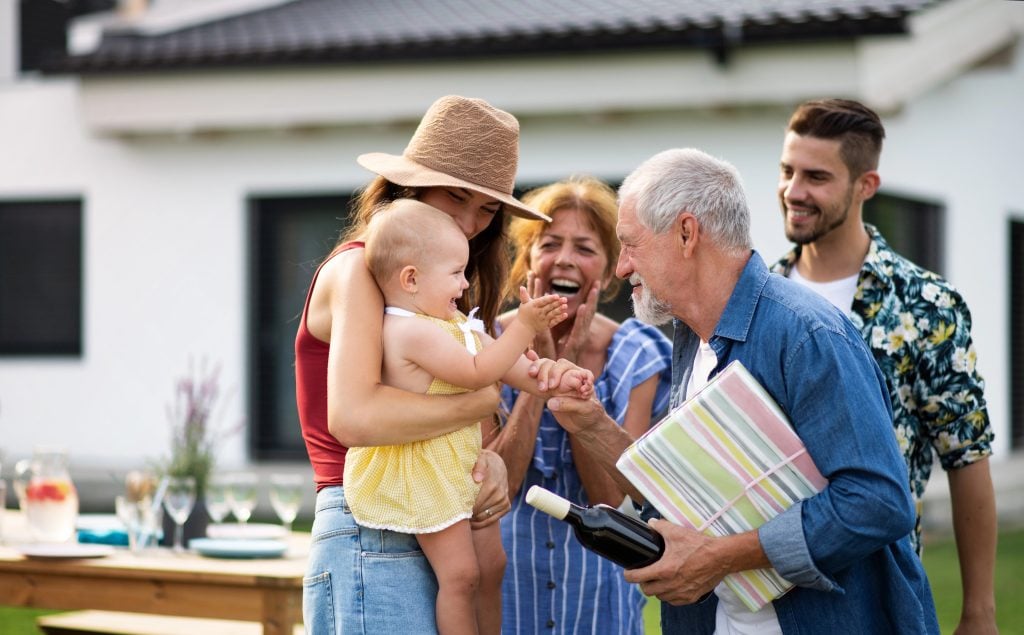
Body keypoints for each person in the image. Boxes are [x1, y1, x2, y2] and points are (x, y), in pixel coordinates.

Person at [541, 148, 940, 633]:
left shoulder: (807, 335)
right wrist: (591, 423)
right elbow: (688, 491)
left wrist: (718, 558)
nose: (622, 267)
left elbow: (878, 501)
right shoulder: (690, 335)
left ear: (687, 233)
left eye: (631, 244)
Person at [294, 95, 555, 634]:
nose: (470, 221)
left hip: (432, 511)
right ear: (408, 188)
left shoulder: (441, 295)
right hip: (368, 523)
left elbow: (452, 419)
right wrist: (478, 401)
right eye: (458, 197)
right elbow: (354, 417)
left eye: (487, 210)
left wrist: (492, 462)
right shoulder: (359, 271)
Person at [770, 98, 997, 634]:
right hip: (765, 591)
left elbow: (967, 459)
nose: (793, 191)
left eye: (817, 177)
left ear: (866, 185)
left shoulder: (928, 306)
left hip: (880, 594)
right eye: (787, 170)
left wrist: (980, 612)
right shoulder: (761, 299)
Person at [345, 199, 594, 635]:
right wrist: (523, 326)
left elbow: (516, 369)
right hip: (424, 474)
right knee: (460, 575)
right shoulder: (408, 330)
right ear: (411, 279)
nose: (464, 284)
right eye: (456, 273)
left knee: (491, 564)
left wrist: (553, 376)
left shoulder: (450, 322)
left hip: (455, 466)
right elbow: (479, 372)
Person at [485, 176, 673, 634]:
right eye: (550, 244)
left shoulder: (638, 353)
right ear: (527, 263)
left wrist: (569, 388)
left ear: (609, 271)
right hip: (507, 582)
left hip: (598, 592)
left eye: (585, 248)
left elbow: (611, 499)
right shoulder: (485, 343)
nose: (565, 259)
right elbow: (498, 492)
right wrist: (542, 374)